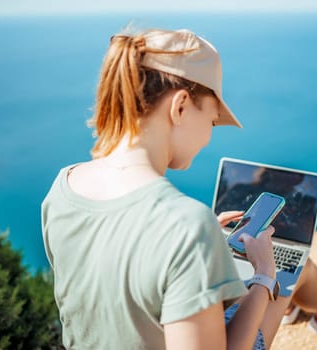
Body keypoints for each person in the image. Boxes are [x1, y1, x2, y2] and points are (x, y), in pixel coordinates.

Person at [41, 27, 296, 349]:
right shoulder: (186, 224)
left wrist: (203, 252)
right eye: (213, 120)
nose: (209, 135)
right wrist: (264, 276)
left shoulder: (64, 186)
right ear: (180, 107)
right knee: (292, 273)